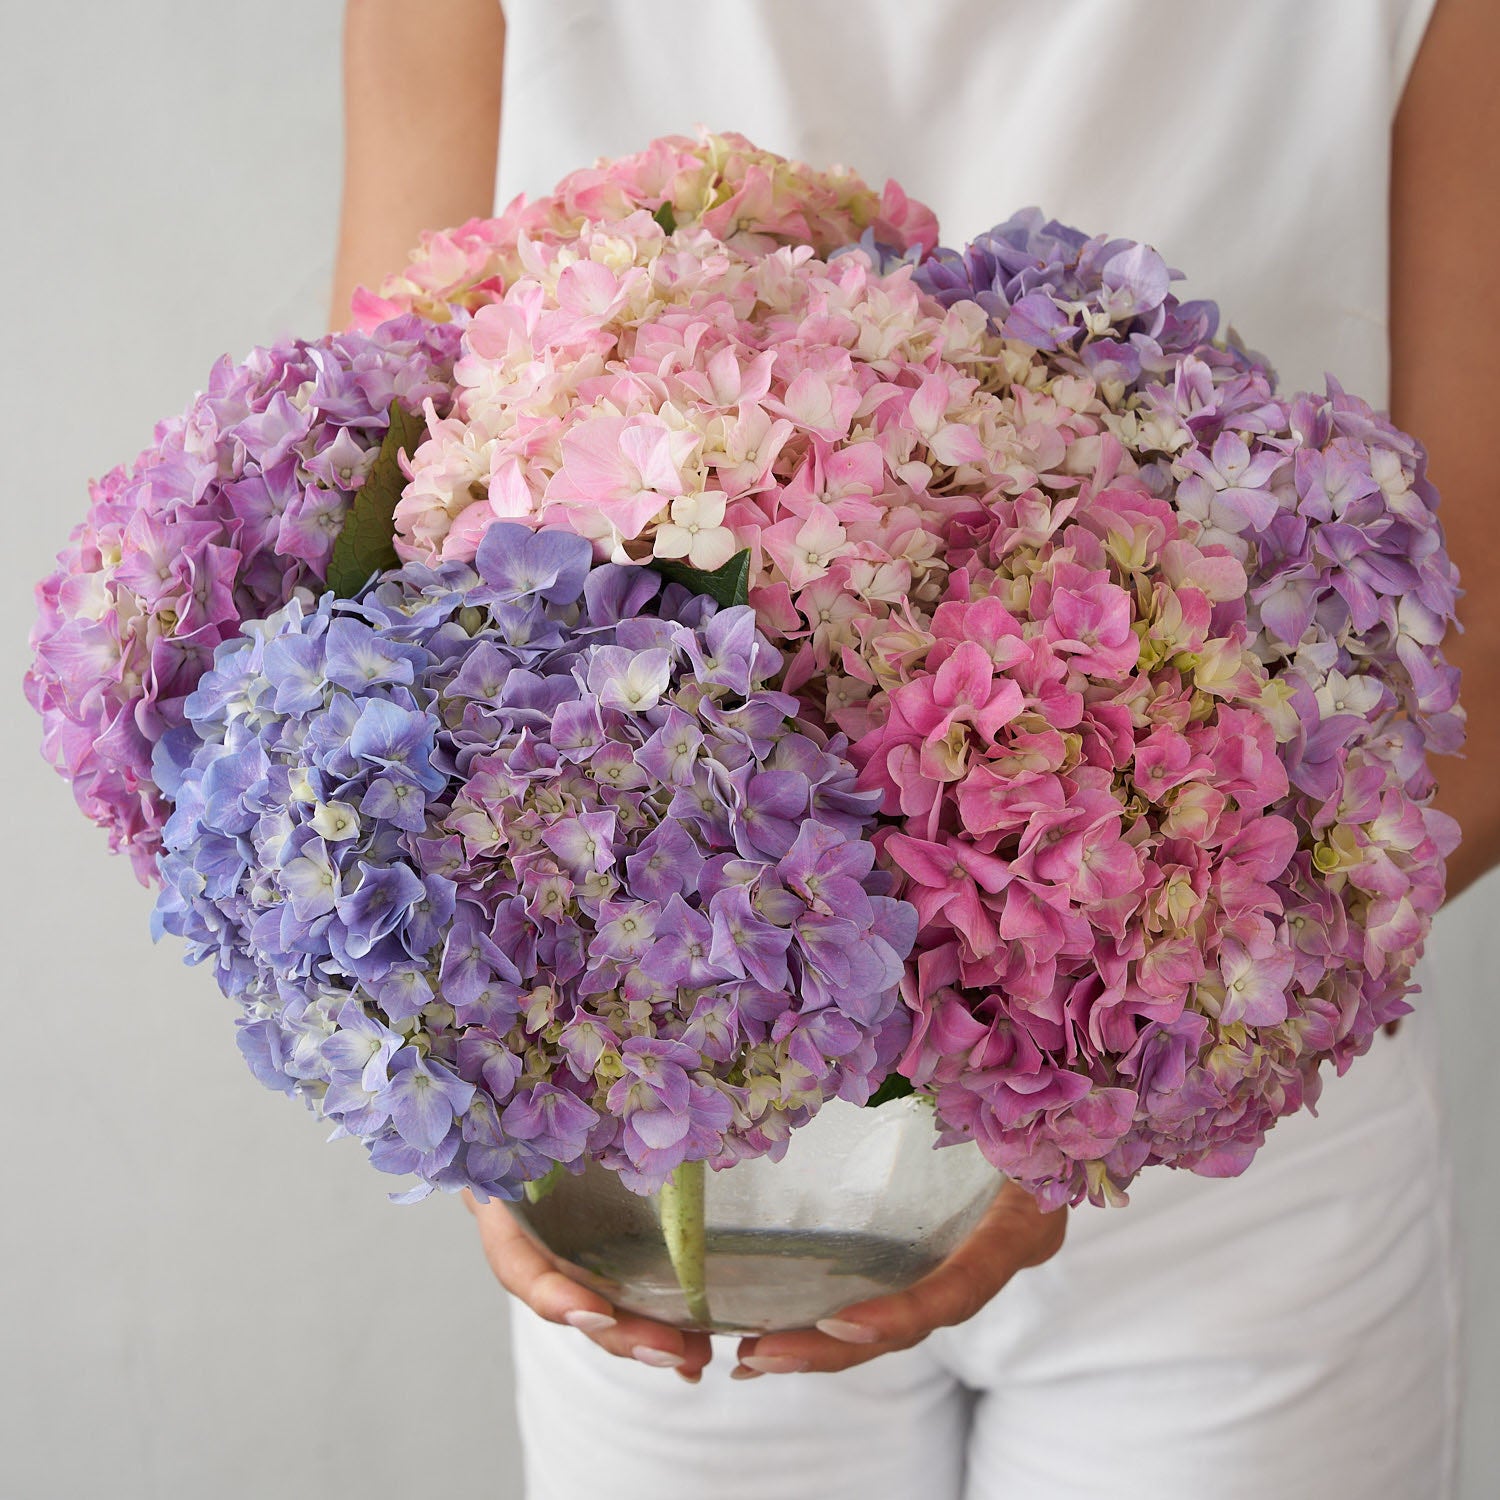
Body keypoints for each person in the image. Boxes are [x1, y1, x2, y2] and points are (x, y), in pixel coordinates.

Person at [330, 3, 1500, 1496]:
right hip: (685, 1133)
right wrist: (491, 1059)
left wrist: (1098, 1083)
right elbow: (375, 542)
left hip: (1229, 1134)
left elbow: (1479, 637)